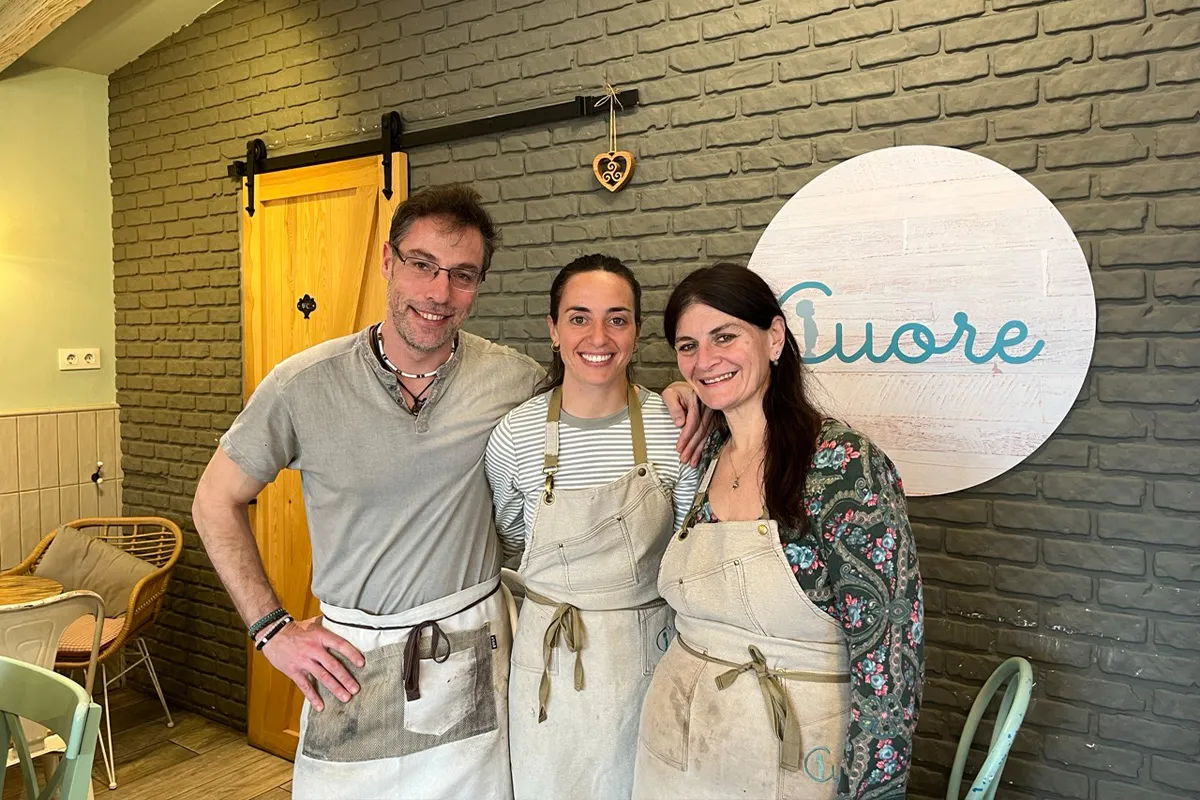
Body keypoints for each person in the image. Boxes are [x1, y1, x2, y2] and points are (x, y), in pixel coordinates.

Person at [190, 185, 707, 800]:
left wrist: (682, 389)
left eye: (462, 275)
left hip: (474, 650)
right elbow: (214, 501)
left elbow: (595, 382)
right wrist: (271, 629)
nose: (439, 293)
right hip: (351, 661)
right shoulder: (303, 385)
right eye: (422, 265)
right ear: (388, 261)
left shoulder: (510, 380)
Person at [632, 263, 924, 800]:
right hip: (677, 746)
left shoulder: (844, 466)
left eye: (725, 337)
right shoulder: (708, 453)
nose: (704, 361)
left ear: (773, 337)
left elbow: (888, 663)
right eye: (687, 346)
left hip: (796, 753)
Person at [485, 255, 700, 800]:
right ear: (554, 330)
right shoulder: (515, 435)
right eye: (579, 318)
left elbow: (686, 548)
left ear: (636, 330)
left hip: (646, 657)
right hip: (549, 664)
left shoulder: (675, 427)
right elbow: (513, 541)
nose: (598, 336)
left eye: (617, 318)